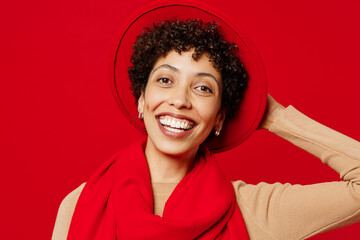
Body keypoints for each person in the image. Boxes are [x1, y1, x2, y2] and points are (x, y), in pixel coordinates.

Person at [52, 4, 360, 240]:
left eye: (203, 88)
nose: (180, 99)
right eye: (165, 80)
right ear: (142, 100)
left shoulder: (251, 209)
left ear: (219, 118)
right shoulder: (81, 204)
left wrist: (274, 117)